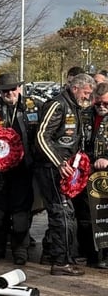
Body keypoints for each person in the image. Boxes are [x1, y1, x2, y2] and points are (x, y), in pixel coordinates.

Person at [34, 73, 96, 276]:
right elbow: (42, 136)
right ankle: (60, 261)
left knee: (66, 214)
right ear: (76, 88)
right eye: (86, 92)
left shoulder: (76, 106)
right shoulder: (57, 104)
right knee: (60, 213)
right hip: (52, 168)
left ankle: (62, 256)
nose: (88, 96)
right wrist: (58, 162)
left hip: (69, 168)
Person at [0, 73, 40, 265]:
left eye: (13, 89)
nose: (9, 93)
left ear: (19, 89)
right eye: (5, 90)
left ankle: (20, 250)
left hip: (24, 169)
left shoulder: (35, 105)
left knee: (21, 212)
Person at [76, 81, 108, 267]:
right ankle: (89, 253)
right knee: (86, 215)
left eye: (106, 104)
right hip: (86, 172)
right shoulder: (84, 115)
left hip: (105, 173)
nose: (101, 107)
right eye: (98, 104)